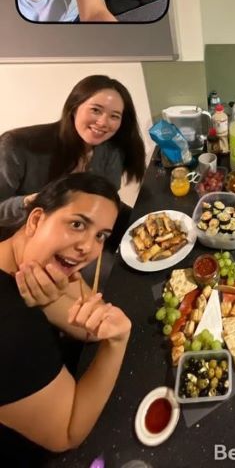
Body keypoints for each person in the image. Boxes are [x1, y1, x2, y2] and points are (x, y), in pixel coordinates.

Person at [0, 173, 131, 465]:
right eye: (77, 224)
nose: (88, 246)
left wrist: (51, 302)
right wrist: (117, 342)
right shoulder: (12, 329)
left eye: (101, 236)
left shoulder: (17, 248)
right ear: (35, 220)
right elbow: (67, 433)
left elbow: (89, 313)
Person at [0, 74, 146, 224]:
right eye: (96, 110)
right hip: (24, 237)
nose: (103, 122)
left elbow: (106, 201)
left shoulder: (111, 149)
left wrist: (141, 220)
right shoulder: (16, 144)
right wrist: (31, 201)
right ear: (74, 107)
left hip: (86, 229)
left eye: (114, 116)